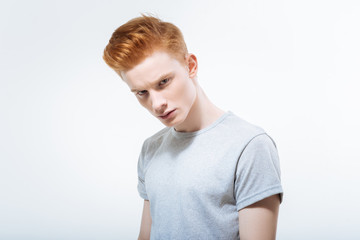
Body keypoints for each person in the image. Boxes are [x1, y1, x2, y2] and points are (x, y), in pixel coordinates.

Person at [103, 15, 283, 240]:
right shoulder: (151, 149)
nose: (157, 104)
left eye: (164, 82)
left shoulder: (250, 146)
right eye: (142, 92)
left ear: (191, 65)